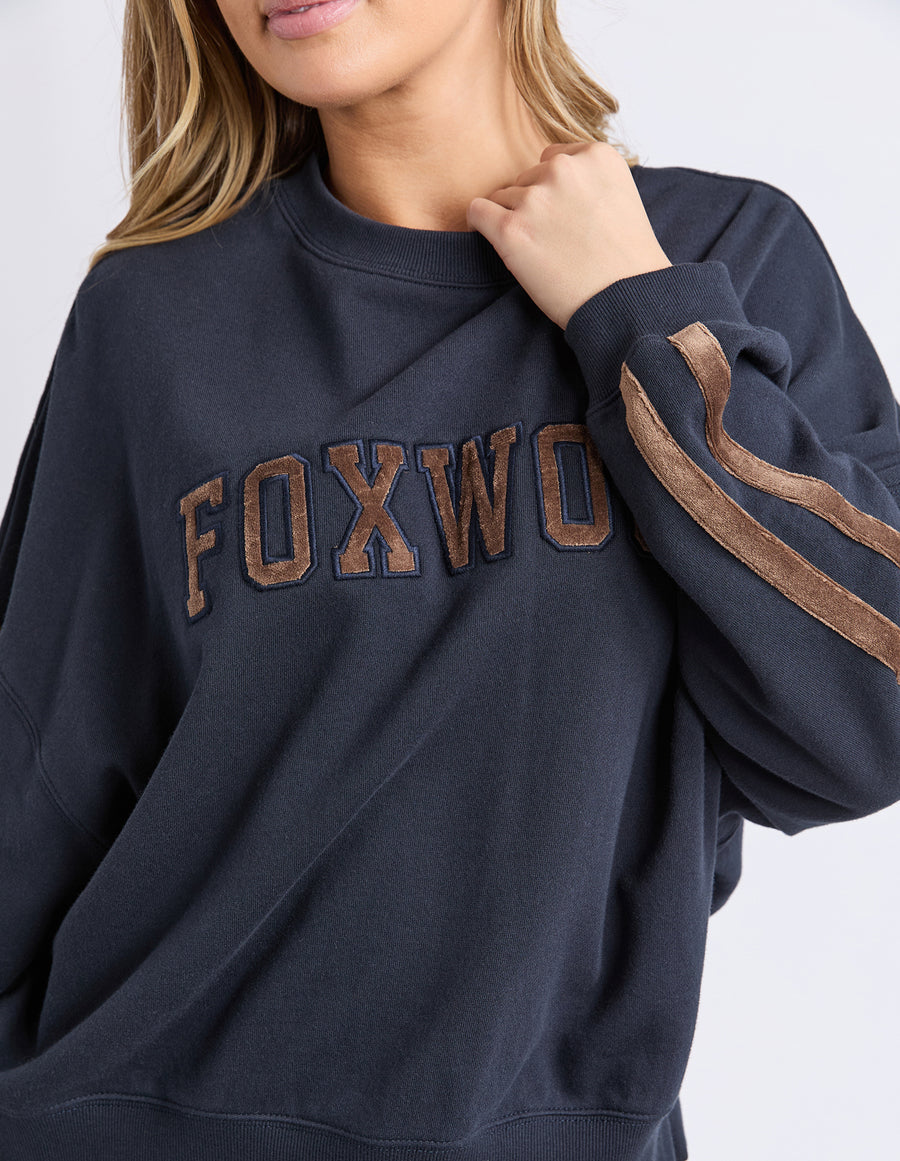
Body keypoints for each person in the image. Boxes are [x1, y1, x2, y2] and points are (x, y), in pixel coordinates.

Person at [1, 0, 898, 1158]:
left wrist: (635, 316)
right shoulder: (155, 319)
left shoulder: (720, 256)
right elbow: (39, 783)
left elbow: (869, 713)